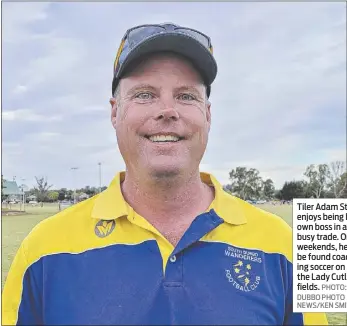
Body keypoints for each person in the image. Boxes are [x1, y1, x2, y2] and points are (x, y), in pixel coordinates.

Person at [2, 23, 328, 326]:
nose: (167, 110)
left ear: (208, 115)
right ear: (115, 112)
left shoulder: (286, 244)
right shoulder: (43, 250)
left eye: (186, 96)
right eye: (145, 94)